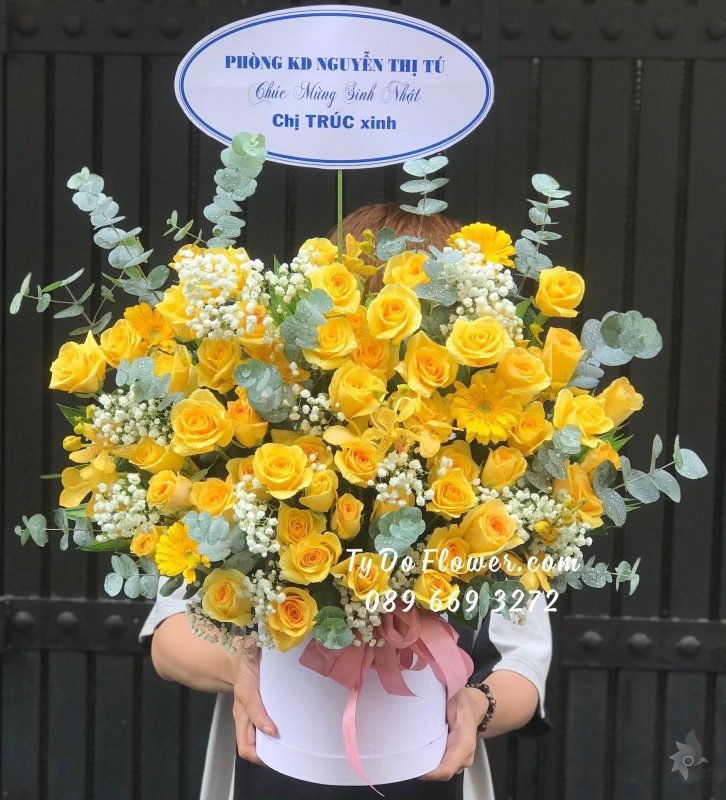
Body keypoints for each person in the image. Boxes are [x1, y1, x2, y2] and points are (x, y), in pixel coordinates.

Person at [139, 203, 554, 799]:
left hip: (428, 773)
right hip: (274, 766)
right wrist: (240, 667)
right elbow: (169, 635)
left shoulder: (497, 483)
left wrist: (474, 706)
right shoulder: (252, 459)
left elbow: (524, 666)